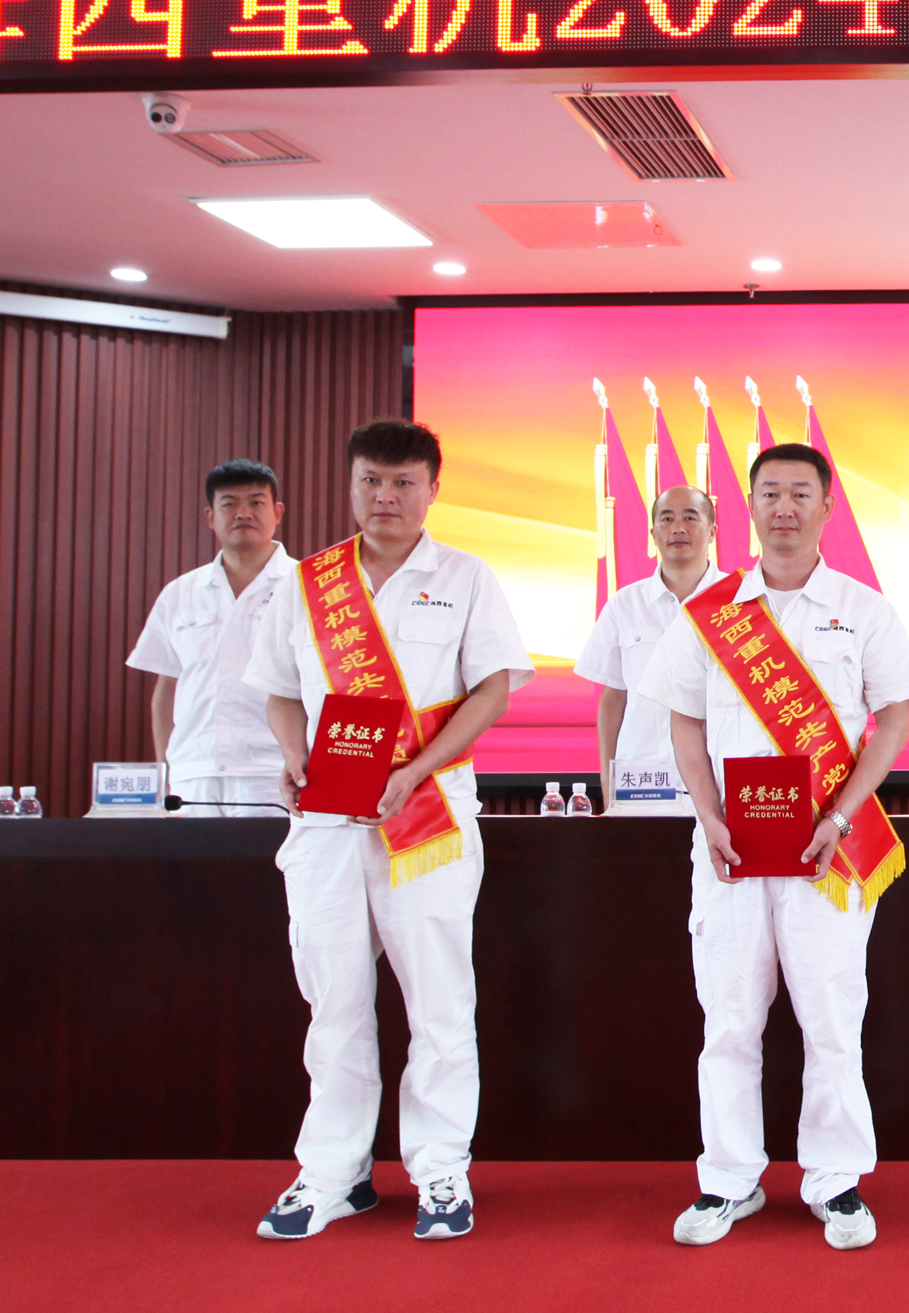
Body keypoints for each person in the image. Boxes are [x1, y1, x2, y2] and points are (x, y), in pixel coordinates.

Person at [246, 420, 533, 1243]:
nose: (386, 497)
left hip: (427, 813)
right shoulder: (308, 583)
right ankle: (333, 1173)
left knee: (439, 1001)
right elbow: (278, 689)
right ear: (350, 486)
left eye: (404, 482)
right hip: (326, 820)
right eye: (371, 480)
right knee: (333, 1000)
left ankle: (440, 1168)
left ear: (433, 490)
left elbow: (491, 692)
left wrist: (415, 769)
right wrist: (294, 756)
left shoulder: (466, 577)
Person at [638, 443, 909, 1251]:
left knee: (831, 1016)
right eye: (770, 493)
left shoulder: (863, 609)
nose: (785, 508)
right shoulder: (712, 612)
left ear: (827, 507)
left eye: (801, 493)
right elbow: (684, 720)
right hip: (729, 853)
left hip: (827, 853)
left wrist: (841, 815)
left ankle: (835, 1180)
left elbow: (893, 720)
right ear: (751, 507)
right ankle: (728, 1179)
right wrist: (708, 817)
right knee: (729, 1019)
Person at [125, 460, 294, 817]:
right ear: (210, 516)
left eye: (256, 502)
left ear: (277, 512)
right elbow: (167, 689)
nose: (243, 513)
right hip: (193, 773)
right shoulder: (181, 592)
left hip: (275, 773)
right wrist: (166, 771)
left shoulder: (307, 587)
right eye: (229, 503)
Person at [577, 486, 721, 815]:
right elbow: (614, 699)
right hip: (643, 783)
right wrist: (608, 785)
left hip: (720, 780)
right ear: (653, 534)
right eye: (667, 519)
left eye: (690, 518)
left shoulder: (741, 600)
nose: (678, 528)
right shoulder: (625, 605)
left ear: (712, 531)